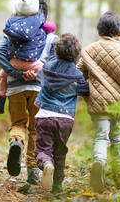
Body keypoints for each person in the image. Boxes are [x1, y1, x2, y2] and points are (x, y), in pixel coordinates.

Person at [0, 0, 59, 185]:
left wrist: (15, 72)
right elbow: (54, 65)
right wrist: (36, 73)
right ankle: (32, 170)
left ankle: (16, 142)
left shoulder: (12, 34)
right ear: (43, 16)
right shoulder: (51, 38)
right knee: (35, 129)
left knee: (18, 123)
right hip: (39, 90)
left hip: (15, 88)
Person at [77, 12, 120, 193]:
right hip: (119, 105)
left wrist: (87, 93)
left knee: (101, 137)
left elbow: (78, 73)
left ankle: (98, 164)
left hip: (98, 104)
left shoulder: (88, 51)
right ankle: (119, 176)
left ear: (98, 31)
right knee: (116, 138)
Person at [34, 33, 89, 193]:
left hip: (45, 115)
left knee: (43, 150)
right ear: (76, 54)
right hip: (66, 119)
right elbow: (85, 90)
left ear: (57, 50)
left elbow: (38, 79)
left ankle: (46, 164)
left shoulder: (48, 66)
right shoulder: (77, 75)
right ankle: (57, 185)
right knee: (60, 153)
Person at [0, 0, 48, 114]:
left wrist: (15, 73)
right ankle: (48, 103)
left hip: (14, 65)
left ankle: (0, 104)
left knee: (2, 76)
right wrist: (38, 75)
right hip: (35, 67)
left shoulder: (12, 28)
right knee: (46, 71)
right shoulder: (42, 28)